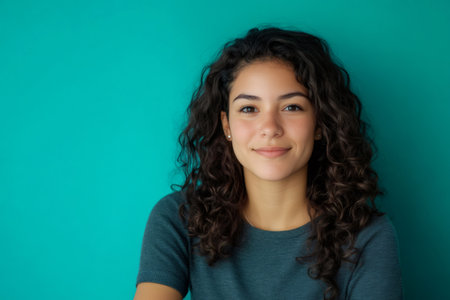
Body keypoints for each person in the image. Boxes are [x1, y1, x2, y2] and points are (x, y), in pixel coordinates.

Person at [134, 27, 403, 300]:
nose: (270, 128)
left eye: (292, 107)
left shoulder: (367, 237)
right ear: (227, 125)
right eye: (249, 109)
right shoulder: (179, 218)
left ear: (320, 124)